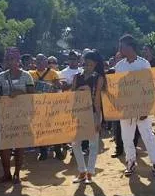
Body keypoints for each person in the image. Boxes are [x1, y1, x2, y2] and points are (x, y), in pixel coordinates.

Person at [115, 35, 155, 178]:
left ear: (130, 47)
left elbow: (149, 88)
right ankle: (130, 163)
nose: (119, 49)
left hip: (142, 108)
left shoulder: (144, 64)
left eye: (122, 46)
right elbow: (116, 90)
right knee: (127, 137)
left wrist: (146, 108)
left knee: (148, 137)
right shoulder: (119, 66)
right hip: (126, 110)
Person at [0, 48, 35, 184]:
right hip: (5, 116)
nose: (10, 61)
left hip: (22, 115)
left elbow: (32, 95)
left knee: (19, 146)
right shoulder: (0, 77)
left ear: (18, 61)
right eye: (8, 59)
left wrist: (19, 92)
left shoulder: (27, 76)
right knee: (4, 146)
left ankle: (17, 173)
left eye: (13, 59)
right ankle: (6, 174)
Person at [71, 51, 105, 185]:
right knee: (75, 143)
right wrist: (79, 91)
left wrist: (97, 118)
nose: (87, 67)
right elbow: (72, 96)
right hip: (78, 114)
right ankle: (81, 171)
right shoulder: (76, 77)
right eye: (85, 64)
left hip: (92, 113)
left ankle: (90, 173)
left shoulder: (99, 78)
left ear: (95, 64)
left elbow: (97, 100)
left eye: (90, 64)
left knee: (93, 144)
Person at [29, 53, 65, 160]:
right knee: (40, 129)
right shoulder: (30, 74)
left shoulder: (53, 73)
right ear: (35, 63)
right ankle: (43, 152)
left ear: (46, 62)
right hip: (37, 106)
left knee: (55, 128)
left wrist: (56, 84)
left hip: (51, 105)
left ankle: (57, 150)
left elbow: (58, 87)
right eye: (38, 61)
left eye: (42, 60)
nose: (40, 63)